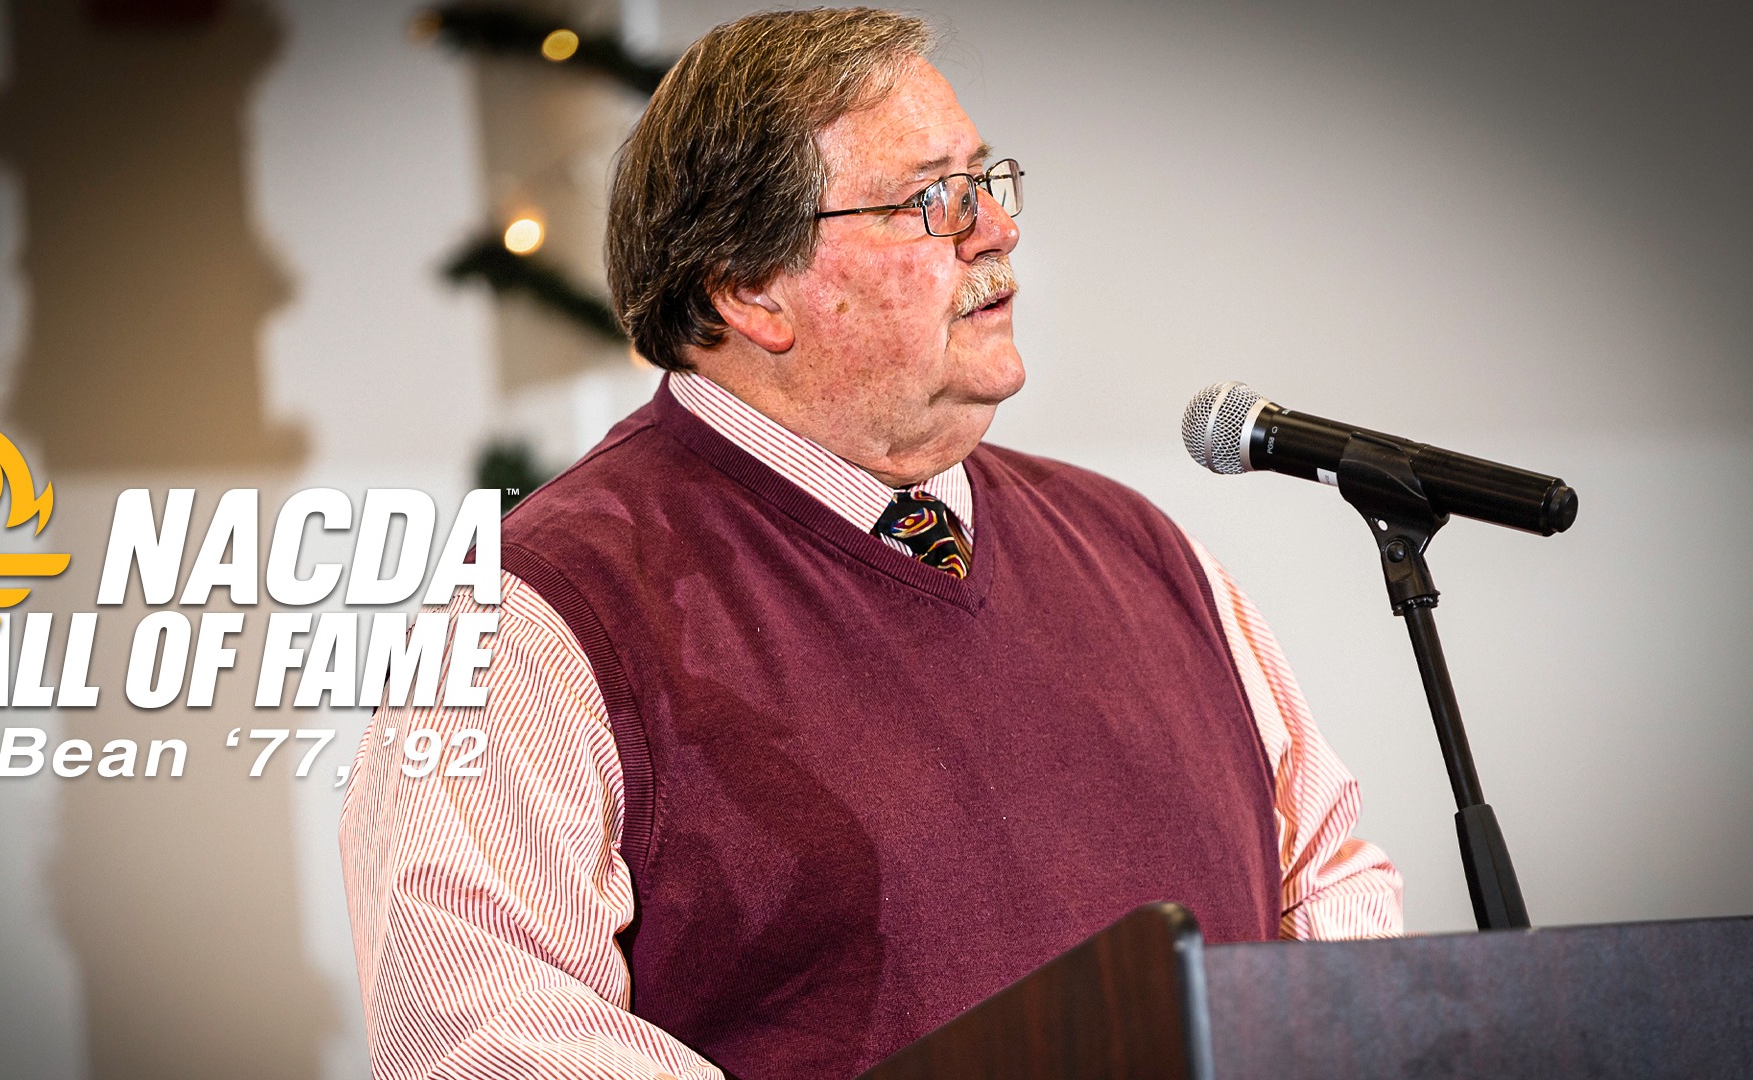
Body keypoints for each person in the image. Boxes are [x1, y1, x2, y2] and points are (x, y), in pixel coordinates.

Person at [340, 9, 1402, 1079]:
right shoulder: (531, 613)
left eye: (986, 180)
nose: (995, 228)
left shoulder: (1139, 546)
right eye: (932, 197)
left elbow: (1332, 887)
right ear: (753, 287)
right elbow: (483, 1039)